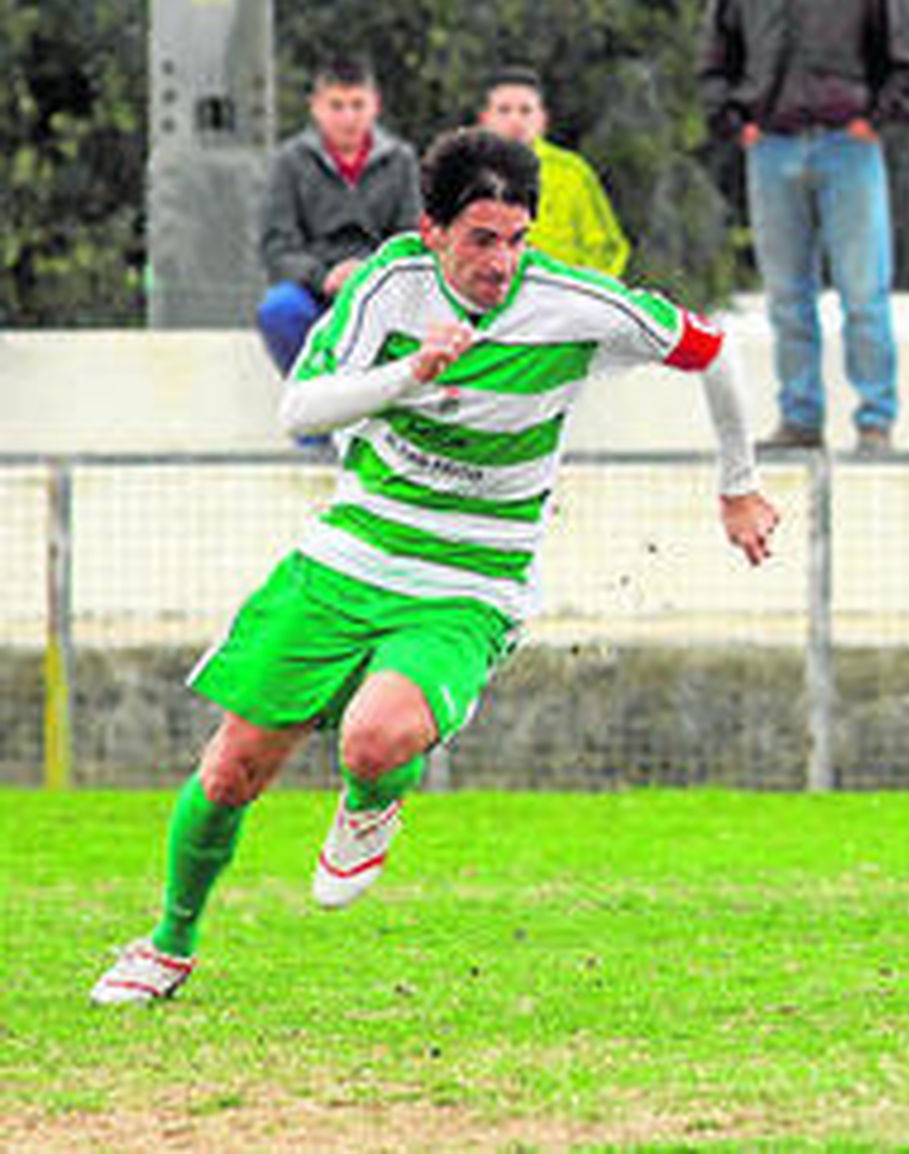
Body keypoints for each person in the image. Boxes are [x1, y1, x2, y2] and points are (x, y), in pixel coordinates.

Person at [90, 128, 780, 1005]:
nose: (503, 261)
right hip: (347, 554)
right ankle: (167, 944)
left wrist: (739, 487)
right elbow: (299, 403)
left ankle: (374, 794)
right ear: (433, 232)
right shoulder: (388, 285)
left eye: (518, 238)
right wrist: (410, 374)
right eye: (482, 240)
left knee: (373, 738)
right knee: (231, 769)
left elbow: (713, 351)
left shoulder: (573, 304)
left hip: (471, 579)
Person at [697, 0, 909, 454]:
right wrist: (736, 122)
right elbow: (715, 53)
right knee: (785, 296)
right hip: (771, 144)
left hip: (849, 142)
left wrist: (877, 119)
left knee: (864, 292)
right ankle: (799, 418)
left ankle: (875, 421)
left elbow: (908, 50)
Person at [256, 55, 421, 378]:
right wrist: (325, 277)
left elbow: (411, 237)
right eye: (337, 106)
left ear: (375, 105)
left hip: (380, 286)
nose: (348, 117)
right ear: (316, 106)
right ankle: (314, 407)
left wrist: (371, 274)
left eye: (358, 105)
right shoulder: (290, 161)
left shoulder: (401, 161)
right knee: (279, 310)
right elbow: (277, 246)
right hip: (313, 289)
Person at [477, 66, 632, 277]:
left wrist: (581, 290)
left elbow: (608, 250)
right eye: (504, 110)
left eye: (525, 111)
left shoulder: (572, 173)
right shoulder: (464, 171)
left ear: (542, 119)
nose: (515, 121)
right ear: (484, 119)